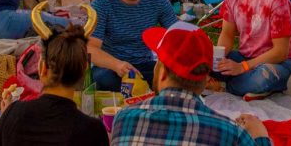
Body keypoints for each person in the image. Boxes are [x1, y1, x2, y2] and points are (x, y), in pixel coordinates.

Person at [111, 22, 272, 146]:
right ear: (205, 82)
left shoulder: (124, 120)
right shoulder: (230, 133)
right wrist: (260, 136)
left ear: (162, 73)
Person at [0, 7, 109, 146]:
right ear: (83, 71)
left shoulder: (13, 114)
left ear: (42, 69)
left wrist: (7, 116)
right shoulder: (93, 130)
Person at [88, 0, 179, 91]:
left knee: (174, 78)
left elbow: (178, 35)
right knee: (105, 79)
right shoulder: (102, 3)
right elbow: (90, 48)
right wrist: (117, 65)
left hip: (144, 63)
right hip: (111, 66)